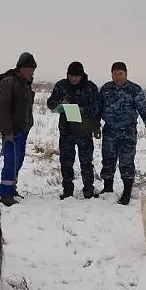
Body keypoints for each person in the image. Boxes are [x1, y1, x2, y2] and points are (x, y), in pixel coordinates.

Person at [99, 61, 146, 205]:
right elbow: (98, 108)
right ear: (111, 74)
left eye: (120, 73)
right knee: (108, 161)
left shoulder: (134, 89)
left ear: (126, 74)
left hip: (127, 133)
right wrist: (93, 124)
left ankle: (127, 192)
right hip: (109, 132)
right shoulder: (106, 89)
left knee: (126, 163)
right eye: (115, 73)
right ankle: (107, 189)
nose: (117, 76)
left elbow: (142, 108)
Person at [46, 61, 102, 200]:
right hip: (66, 131)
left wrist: (80, 109)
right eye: (70, 75)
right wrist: (60, 104)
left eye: (76, 76)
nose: (73, 78)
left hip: (84, 131)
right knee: (66, 162)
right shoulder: (61, 86)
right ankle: (67, 191)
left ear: (82, 76)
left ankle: (88, 190)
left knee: (86, 162)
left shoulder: (90, 87)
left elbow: (97, 108)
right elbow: (50, 103)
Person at [0, 52, 37, 207]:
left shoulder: (25, 83)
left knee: (18, 162)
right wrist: (7, 131)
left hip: (22, 130)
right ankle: (5, 194)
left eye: (33, 69)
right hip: (11, 131)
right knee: (11, 162)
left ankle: (12, 189)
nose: (32, 72)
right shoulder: (8, 82)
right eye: (29, 69)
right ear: (21, 68)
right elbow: (3, 109)